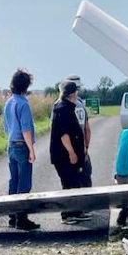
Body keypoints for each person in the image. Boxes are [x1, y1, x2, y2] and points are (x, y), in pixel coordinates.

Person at [3, 68, 40, 230]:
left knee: (14, 180)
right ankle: (21, 218)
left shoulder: (8, 102)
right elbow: (26, 129)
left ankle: (12, 215)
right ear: (26, 86)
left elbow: (6, 127)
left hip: (11, 145)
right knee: (24, 182)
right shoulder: (23, 104)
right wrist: (31, 149)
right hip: (21, 145)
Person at [51, 81, 88, 225]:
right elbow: (64, 134)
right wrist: (71, 152)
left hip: (68, 154)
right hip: (63, 155)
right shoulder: (62, 108)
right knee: (68, 184)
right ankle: (67, 214)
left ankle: (76, 211)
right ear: (73, 93)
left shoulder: (66, 106)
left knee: (75, 183)